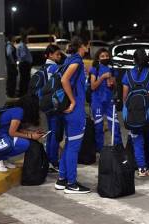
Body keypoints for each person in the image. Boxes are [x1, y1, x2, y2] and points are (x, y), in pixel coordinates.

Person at [54, 36, 90, 194]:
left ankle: (62, 179)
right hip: (75, 111)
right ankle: (72, 183)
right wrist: (73, 101)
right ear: (84, 46)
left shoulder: (70, 60)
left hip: (68, 111)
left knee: (69, 145)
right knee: (73, 148)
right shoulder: (76, 61)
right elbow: (64, 80)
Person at [122, 48, 149, 177]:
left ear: (134, 60)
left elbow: (125, 96)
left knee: (137, 140)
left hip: (133, 114)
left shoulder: (127, 74)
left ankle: (142, 169)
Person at [0, 95, 43, 172]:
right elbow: (12, 133)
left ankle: (3, 159)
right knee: (25, 144)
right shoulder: (19, 112)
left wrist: (32, 133)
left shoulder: (17, 110)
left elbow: (16, 130)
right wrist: (31, 136)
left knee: (22, 140)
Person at [90, 48, 122, 152]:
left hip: (110, 101)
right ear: (98, 58)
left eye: (107, 56)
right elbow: (93, 86)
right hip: (97, 101)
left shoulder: (112, 69)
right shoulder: (95, 69)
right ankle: (100, 150)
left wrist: (112, 83)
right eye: (102, 56)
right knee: (98, 127)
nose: (105, 58)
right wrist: (102, 77)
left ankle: (118, 148)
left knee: (115, 126)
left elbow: (116, 85)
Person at [44, 44, 64, 172]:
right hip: (55, 103)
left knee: (51, 132)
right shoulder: (55, 67)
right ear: (50, 55)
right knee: (55, 134)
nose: (60, 56)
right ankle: (53, 161)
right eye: (57, 54)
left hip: (46, 103)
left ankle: (49, 160)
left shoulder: (43, 67)